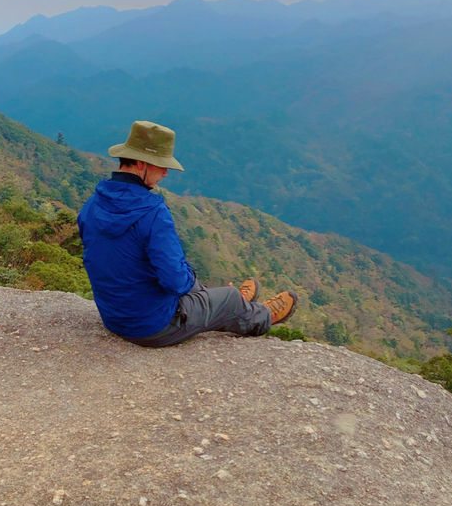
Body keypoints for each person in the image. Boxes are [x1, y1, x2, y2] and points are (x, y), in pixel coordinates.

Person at [78, 120, 298, 347]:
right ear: (141, 164)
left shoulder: (92, 205)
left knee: (194, 285)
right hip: (153, 326)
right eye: (160, 165)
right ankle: (261, 315)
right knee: (225, 297)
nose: (165, 173)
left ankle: (235, 305)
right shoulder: (153, 214)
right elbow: (174, 282)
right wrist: (190, 279)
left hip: (114, 317)